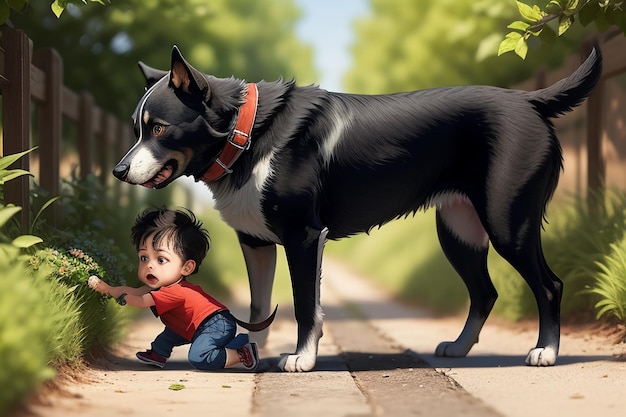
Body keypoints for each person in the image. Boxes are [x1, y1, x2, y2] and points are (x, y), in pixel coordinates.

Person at [88, 206, 275, 371]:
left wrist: (124, 298)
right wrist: (107, 289)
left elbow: (140, 300)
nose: (149, 266)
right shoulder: (161, 286)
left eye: (161, 260)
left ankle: (241, 352)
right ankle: (158, 354)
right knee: (169, 335)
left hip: (214, 324)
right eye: (144, 258)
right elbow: (135, 291)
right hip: (194, 324)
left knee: (199, 357)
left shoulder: (174, 291)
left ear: (186, 267)